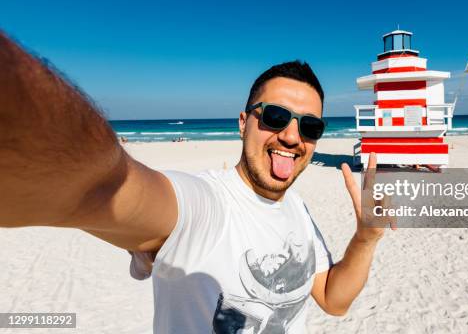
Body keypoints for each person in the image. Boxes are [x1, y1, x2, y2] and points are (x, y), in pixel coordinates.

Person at [0, 32, 391, 334]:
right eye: (274, 116)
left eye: (310, 126)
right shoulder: (203, 203)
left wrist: (365, 239)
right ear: (243, 122)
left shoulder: (297, 209)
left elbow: (332, 299)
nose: (292, 136)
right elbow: (102, 185)